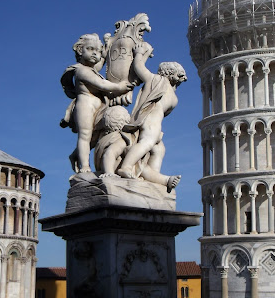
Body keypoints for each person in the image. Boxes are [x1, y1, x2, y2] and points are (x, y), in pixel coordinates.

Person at [117, 43, 187, 191]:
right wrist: (140, 53)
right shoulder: (156, 80)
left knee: (159, 149)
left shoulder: (172, 94)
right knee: (147, 143)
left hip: (156, 123)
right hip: (150, 119)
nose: (183, 78)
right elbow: (139, 67)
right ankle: (126, 166)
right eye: (179, 74)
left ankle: (154, 178)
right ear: (168, 73)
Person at [61, 33, 133, 173]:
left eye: (98, 51)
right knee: (85, 135)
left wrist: (105, 53)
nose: (95, 53)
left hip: (99, 106)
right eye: (90, 49)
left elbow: (98, 65)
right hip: (85, 106)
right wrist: (119, 87)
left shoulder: (91, 69)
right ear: (80, 51)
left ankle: (75, 155)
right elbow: (102, 84)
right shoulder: (81, 71)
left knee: (94, 137)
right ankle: (85, 167)